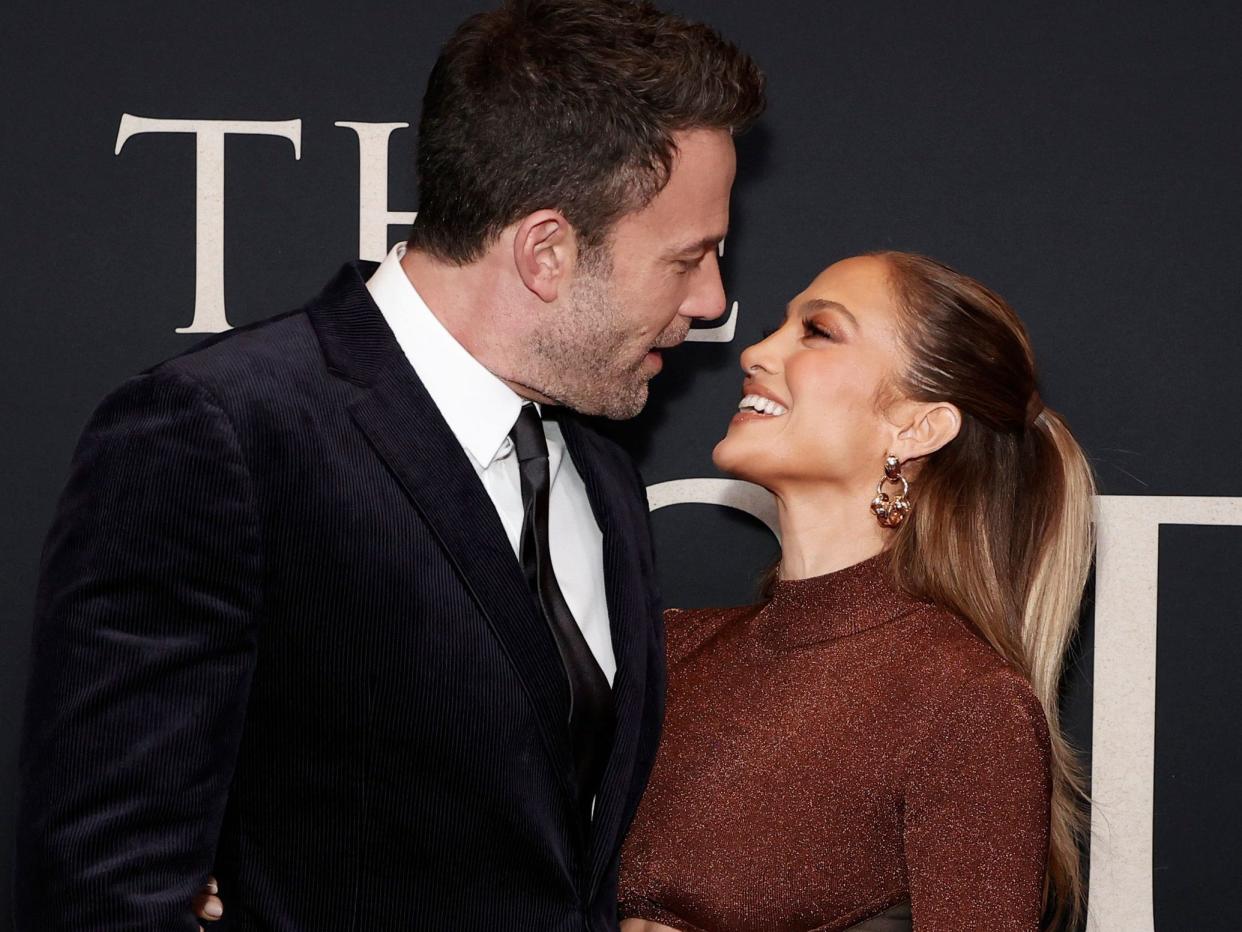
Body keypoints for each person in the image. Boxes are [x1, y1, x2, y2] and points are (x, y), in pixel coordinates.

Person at [14, 1, 764, 929]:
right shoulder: (225, 433)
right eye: (688, 258)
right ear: (546, 250)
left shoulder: (599, 474)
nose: (713, 298)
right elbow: (106, 888)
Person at [615, 252, 1093, 931]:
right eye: (782, 325)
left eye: (818, 331)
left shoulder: (963, 703)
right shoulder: (675, 649)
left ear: (918, 426)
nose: (755, 350)